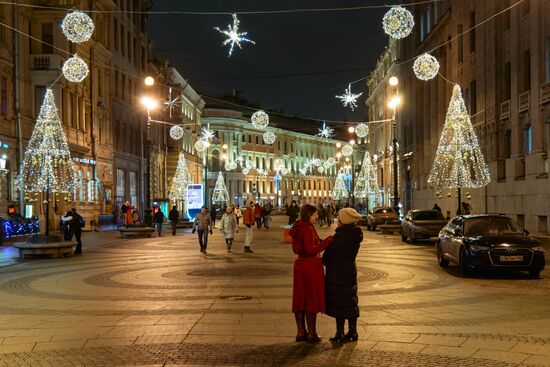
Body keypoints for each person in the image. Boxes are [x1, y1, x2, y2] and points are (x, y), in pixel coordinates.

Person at [289, 204, 334, 343]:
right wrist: (327, 242)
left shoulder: (299, 227)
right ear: (309, 215)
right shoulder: (307, 229)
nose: (317, 216)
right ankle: (312, 333)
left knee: (300, 297)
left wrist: (321, 240)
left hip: (300, 265)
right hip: (310, 266)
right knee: (311, 298)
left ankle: (301, 332)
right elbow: (310, 249)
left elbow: (307, 245)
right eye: (315, 214)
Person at [323, 208, 363, 343]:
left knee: (338, 302)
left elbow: (327, 256)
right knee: (350, 300)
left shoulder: (341, 236)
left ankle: (340, 332)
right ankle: (353, 331)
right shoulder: (355, 234)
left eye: (340, 218)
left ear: (344, 220)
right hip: (350, 270)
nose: (338, 220)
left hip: (337, 273)